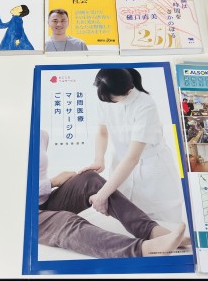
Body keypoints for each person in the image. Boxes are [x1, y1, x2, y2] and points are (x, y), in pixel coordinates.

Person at [38, 130, 186, 259]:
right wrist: (51, 182)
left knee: (89, 179)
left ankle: (150, 230)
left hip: (42, 199)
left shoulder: (42, 135)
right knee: (65, 220)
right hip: (28, 215)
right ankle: (143, 249)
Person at [83, 68, 184, 223]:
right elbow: (102, 132)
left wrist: (102, 195)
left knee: (164, 222)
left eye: (112, 99)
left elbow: (132, 158)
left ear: (128, 90)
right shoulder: (106, 96)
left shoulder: (145, 105)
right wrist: (99, 159)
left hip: (150, 168)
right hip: (121, 167)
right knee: (126, 220)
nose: (107, 102)